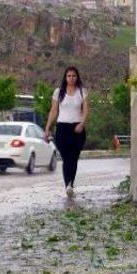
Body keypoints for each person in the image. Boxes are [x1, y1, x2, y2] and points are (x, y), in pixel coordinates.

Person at [44, 66, 89, 198]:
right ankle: (68, 184)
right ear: (65, 77)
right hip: (62, 128)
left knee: (73, 158)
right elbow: (53, 111)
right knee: (66, 158)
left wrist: (82, 123)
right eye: (69, 76)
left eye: (74, 76)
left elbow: (86, 109)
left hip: (77, 128)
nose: (71, 78)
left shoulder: (82, 91)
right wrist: (47, 127)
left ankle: (69, 185)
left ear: (77, 77)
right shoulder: (59, 92)